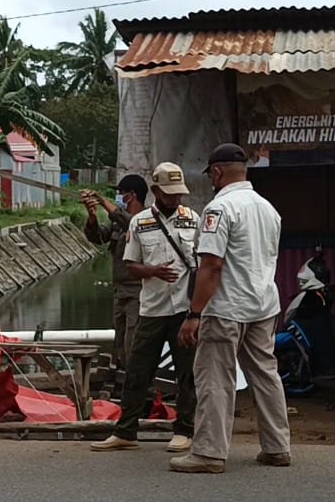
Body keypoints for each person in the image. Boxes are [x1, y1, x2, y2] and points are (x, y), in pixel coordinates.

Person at [172, 144, 290, 474]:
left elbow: (211, 266)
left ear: (218, 172)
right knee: (266, 374)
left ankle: (209, 452)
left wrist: (194, 314)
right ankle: (277, 446)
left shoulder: (220, 208)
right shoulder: (268, 209)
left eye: (211, 174)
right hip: (263, 304)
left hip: (226, 308)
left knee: (214, 377)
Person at [91, 162, 199, 454]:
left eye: (178, 194)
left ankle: (185, 430)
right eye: (169, 194)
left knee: (187, 373)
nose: (175, 199)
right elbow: (130, 265)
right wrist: (151, 271)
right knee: (137, 371)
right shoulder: (139, 223)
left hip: (184, 310)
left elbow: (204, 265)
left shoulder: (193, 219)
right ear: (155, 191)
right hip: (151, 309)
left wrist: (198, 312)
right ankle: (126, 431)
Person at [82, 175, 147, 370]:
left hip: (138, 293)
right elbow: (99, 237)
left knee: (133, 342)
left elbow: (131, 222)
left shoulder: (145, 220)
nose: (118, 197)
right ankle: (125, 377)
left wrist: (102, 201)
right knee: (120, 341)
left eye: (120, 194)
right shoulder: (119, 223)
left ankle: (136, 382)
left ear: (131, 196)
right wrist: (92, 216)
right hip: (120, 292)